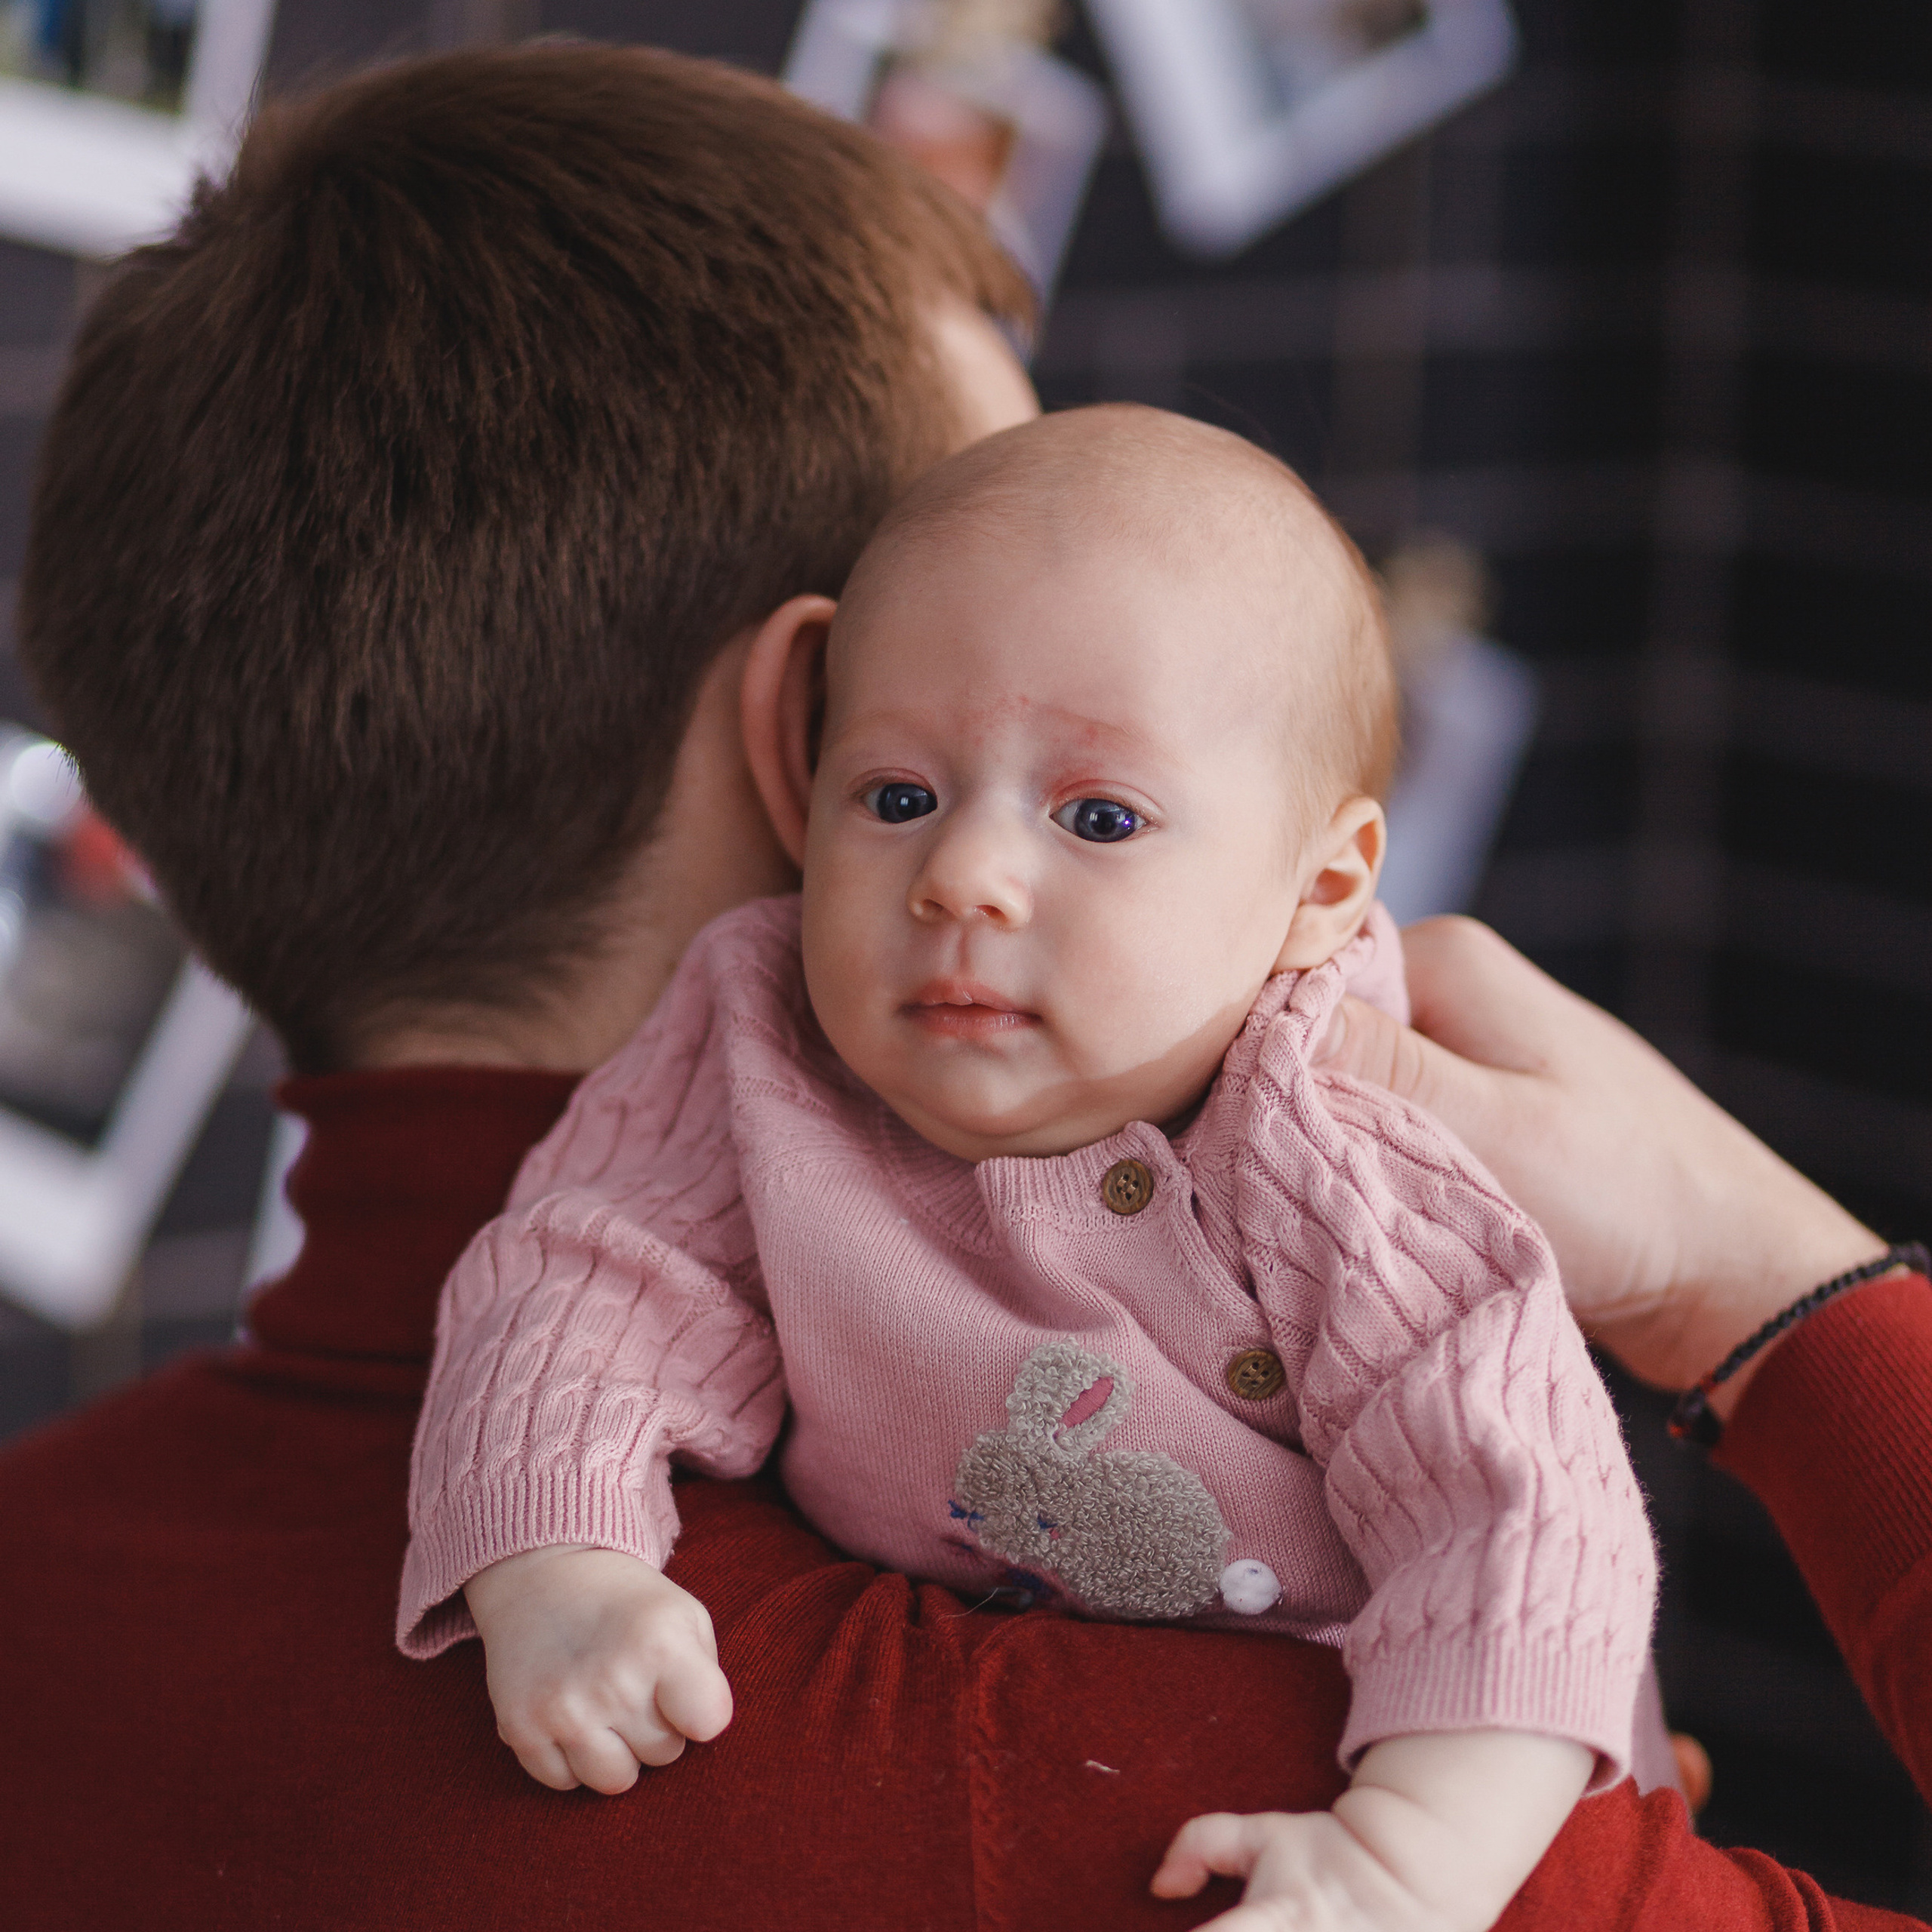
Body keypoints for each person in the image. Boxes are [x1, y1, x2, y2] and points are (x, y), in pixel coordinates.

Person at [0, 38, 1924, 1932]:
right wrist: (1775, 1294)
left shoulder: (37, 1569)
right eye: (925, 750)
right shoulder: (1250, 1801)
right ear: (802, 737)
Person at [404, 405, 1662, 1932]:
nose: (961, 875)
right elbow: (584, 1277)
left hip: (1421, 1813)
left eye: (1098, 816)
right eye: (896, 796)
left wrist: (1407, 1855)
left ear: (1318, 886)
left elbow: (1519, 1504)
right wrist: (560, 1564)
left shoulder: (1336, 1145)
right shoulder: (765, 1034)